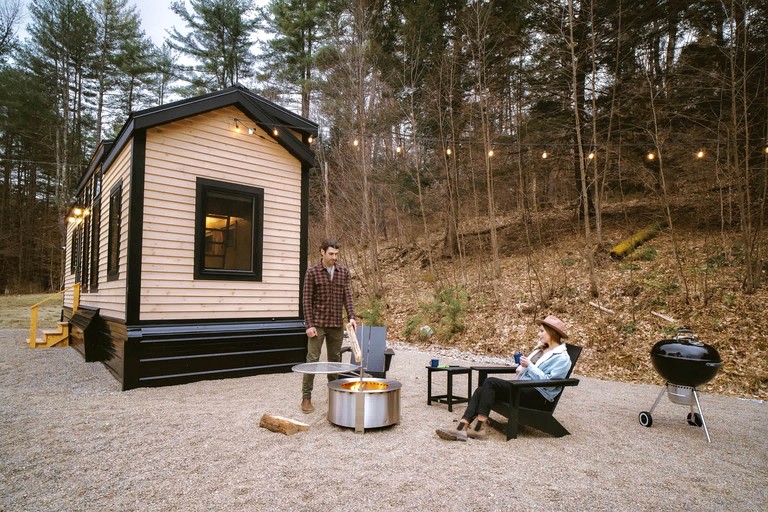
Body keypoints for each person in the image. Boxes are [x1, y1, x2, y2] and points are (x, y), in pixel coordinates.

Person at [436, 315, 572, 441]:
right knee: (481, 390)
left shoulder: (562, 358)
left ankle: (479, 428)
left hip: (538, 396)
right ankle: (462, 427)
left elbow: (550, 383)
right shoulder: (541, 350)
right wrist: (524, 366)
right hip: (523, 388)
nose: (538, 334)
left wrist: (529, 365)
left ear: (552, 332)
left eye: (542, 331)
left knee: (490, 382)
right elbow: (529, 369)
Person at [300, 239, 357, 413]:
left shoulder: (343, 272)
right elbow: (306, 300)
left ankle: (334, 394)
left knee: (335, 362)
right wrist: (309, 324)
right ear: (322, 252)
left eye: (336, 254)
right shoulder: (312, 272)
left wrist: (352, 317)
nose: (334, 257)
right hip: (318, 324)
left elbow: (347, 295)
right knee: (312, 361)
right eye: (331, 253)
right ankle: (306, 398)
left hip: (336, 324)